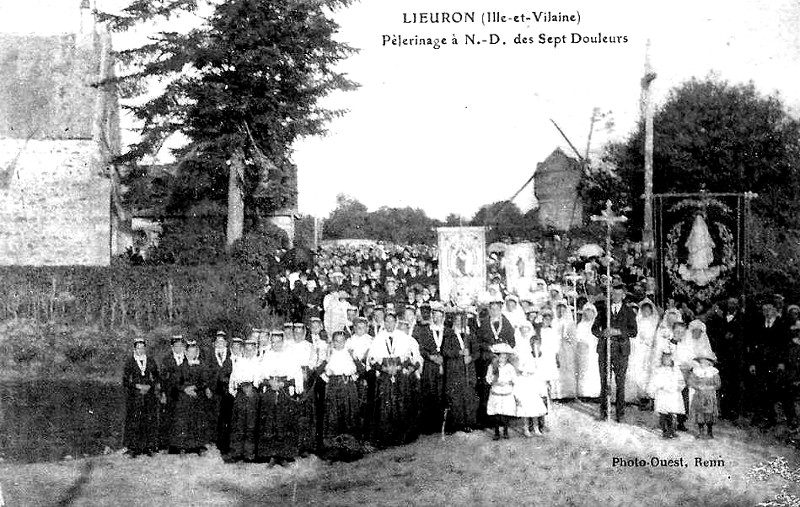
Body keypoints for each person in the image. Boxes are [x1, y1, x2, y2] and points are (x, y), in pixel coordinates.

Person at [366, 310, 422, 447]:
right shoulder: (378, 338)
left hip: (400, 374)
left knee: (401, 403)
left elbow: (409, 356)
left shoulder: (403, 337)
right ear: (383, 323)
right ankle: (386, 437)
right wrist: (383, 368)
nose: (389, 324)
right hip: (385, 375)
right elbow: (371, 358)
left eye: (392, 321)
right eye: (387, 321)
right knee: (385, 404)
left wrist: (400, 366)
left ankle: (402, 437)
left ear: (396, 322)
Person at [256, 330, 306, 463]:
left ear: (283, 342)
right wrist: (269, 382)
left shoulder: (289, 355)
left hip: (284, 388)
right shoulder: (267, 355)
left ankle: (284, 455)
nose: (275, 344)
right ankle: (271, 454)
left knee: (283, 421)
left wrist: (285, 383)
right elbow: (260, 375)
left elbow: (296, 374)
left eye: (278, 342)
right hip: (271, 389)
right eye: (273, 341)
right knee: (269, 421)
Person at [592, 283, 638, 422]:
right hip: (605, 349)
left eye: (618, 294)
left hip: (621, 350)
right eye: (613, 294)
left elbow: (633, 331)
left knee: (620, 382)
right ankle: (604, 412)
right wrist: (602, 333)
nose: (615, 297)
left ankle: (620, 414)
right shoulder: (603, 309)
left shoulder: (629, 311)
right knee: (604, 381)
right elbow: (594, 328)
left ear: (623, 296)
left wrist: (618, 332)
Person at [477, 300, 516, 426]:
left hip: (503, 359)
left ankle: (504, 419)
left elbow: (512, 341)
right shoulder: (484, 324)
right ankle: (490, 419)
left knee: (504, 386)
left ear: (500, 310)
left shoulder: (506, 323)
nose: (494, 312)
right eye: (492, 309)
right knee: (489, 387)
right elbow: (479, 341)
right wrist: (488, 347)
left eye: (497, 309)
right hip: (489, 358)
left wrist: (505, 348)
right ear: (489, 310)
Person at [441, 311, 479, 433]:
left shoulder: (470, 334)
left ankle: (469, 423)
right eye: (457, 320)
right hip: (454, 369)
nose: (459, 322)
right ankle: (456, 423)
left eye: (461, 320)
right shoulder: (449, 334)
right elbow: (445, 351)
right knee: (455, 397)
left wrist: (471, 358)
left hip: (468, 369)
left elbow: (477, 352)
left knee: (468, 396)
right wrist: (458, 353)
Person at [122, 337, 160, 457]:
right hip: (135, 395)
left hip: (148, 394)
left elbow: (157, 376)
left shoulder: (150, 360)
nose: (141, 350)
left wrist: (150, 385)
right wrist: (137, 385)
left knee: (148, 419)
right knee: (135, 420)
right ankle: (134, 448)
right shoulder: (130, 362)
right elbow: (125, 381)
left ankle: (148, 446)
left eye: (142, 348)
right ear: (134, 349)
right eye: (138, 348)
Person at [321, 331, 361, 445]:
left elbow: (361, 371)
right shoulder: (329, 354)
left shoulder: (349, 354)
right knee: (334, 413)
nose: (339, 344)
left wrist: (354, 360)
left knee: (349, 412)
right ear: (333, 342)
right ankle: (335, 444)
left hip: (348, 385)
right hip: (334, 385)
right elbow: (321, 373)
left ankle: (350, 443)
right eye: (337, 341)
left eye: (342, 341)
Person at [170, 340, 209, 454]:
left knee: (197, 421)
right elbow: (176, 383)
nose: (192, 354)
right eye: (189, 352)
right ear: (186, 353)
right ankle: (183, 446)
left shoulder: (202, 366)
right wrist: (185, 389)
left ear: (197, 353)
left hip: (197, 396)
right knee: (183, 422)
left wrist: (195, 387)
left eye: (194, 352)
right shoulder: (181, 367)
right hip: (184, 398)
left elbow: (205, 381)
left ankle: (197, 446)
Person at [414, 302, 447, 434]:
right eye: (435, 316)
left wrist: (443, 358)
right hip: (430, 366)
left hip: (444, 365)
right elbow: (421, 348)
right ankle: (430, 426)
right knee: (430, 393)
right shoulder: (427, 330)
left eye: (440, 316)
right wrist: (431, 357)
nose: (437, 318)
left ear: (443, 317)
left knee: (442, 394)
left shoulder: (447, 331)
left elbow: (451, 347)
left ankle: (441, 425)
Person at [228, 335, 260, 462]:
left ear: (255, 350)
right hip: (241, 392)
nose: (249, 352)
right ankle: (237, 452)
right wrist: (236, 389)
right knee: (239, 423)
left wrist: (252, 388)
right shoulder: (239, 361)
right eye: (246, 349)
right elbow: (233, 377)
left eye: (251, 349)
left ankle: (249, 453)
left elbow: (259, 377)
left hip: (252, 392)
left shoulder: (258, 362)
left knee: (251, 424)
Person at [513, 321, 549, 437]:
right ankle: (526, 428)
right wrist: (522, 370)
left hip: (535, 379)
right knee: (525, 404)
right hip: (524, 378)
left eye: (526, 329)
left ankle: (538, 426)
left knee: (537, 403)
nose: (524, 331)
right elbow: (517, 362)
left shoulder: (535, 347)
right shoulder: (519, 345)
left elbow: (539, 364)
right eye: (522, 329)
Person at [628, 298, 659, 408]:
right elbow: (636, 333)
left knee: (648, 370)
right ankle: (639, 395)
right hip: (640, 348)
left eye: (648, 310)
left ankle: (648, 396)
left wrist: (650, 341)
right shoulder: (638, 321)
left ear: (651, 311)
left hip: (650, 348)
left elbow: (656, 335)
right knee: (639, 370)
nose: (646, 312)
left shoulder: (654, 322)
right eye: (644, 310)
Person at [207, 331, 234, 455]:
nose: (220, 344)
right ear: (214, 343)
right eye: (218, 342)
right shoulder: (208, 355)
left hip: (228, 389)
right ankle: (214, 439)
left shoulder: (231, 354)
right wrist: (207, 387)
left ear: (226, 343)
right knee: (214, 413)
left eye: (222, 341)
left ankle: (224, 440)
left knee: (227, 415)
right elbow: (205, 373)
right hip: (214, 389)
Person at [648, 351, 685, 439]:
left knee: (672, 414)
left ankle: (672, 430)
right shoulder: (659, 370)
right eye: (664, 359)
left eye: (668, 359)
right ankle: (665, 431)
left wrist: (679, 387)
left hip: (673, 395)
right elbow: (654, 381)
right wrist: (652, 390)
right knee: (663, 414)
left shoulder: (676, 370)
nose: (666, 361)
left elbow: (681, 381)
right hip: (663, 394)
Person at [159, 335, 187, 451]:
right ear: (172, 347)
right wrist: (163, 393)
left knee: (184, 417)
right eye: (176, 346)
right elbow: (163, 378)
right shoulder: (167, 360)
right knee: (171, 417)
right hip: (171, 393)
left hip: (184, 393)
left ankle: (184, 444)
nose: (178, 348)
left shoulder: (188, 358)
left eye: (181, 345)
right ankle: (172, 444)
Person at [486, 343, 517, 440]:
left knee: (505, 412)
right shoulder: (492, 366)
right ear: (497, 356)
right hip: (496, 391)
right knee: (497, 413)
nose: (503, 358)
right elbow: (488, 378)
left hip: (507, 391)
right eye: (501, 355)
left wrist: (509, 382)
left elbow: (514, 379)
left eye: (505, 356)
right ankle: (496, 431)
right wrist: (494, 381)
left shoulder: (510, 367)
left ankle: (505, 430)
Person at [688, 354, 721, 439]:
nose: (702, 363)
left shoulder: (713, 372)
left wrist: (710, 387)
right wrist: (697, 386)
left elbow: (718, 384)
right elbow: (691, 382)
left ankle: (710, 431)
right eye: (701, 361)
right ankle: (700, 430)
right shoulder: (696, 371)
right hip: (699, 395)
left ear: (709, 363)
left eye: (705, 361)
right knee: (700, 413)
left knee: (709, 413)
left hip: (709, 395)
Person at [575, 303, 601, 399]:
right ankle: (584, 393)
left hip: (594, 350)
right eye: (587, 312)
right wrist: (583, 344)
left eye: (590, 312)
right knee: (584, 371)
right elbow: (578, 338)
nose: (588, 314)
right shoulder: (581, 325)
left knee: (594, 371)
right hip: (584, 351)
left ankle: (595, 393)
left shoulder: (597, 325)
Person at [553, 300, 577, 399]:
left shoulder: (569, 322)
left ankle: (568, 393)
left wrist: (567, 339)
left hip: (566, 347)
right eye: (559, 308)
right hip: (555, 344)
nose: (561, 310)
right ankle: (557, 393)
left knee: (567, 367)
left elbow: (572, 337)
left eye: (563, 308)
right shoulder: (554, 321)